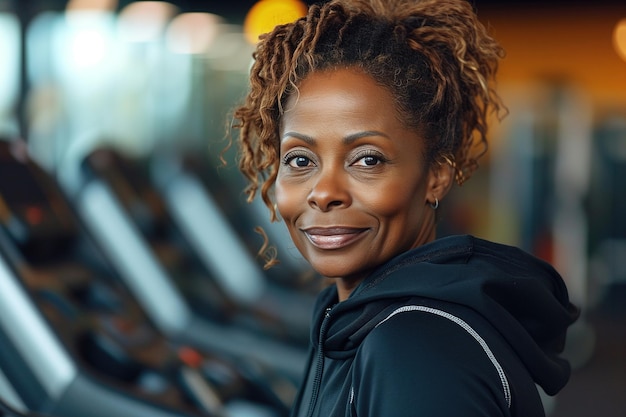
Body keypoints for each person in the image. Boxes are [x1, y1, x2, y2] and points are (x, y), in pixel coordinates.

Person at [231, 0, 580, 416]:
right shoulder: (348, 320)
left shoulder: (415, 347)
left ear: (436, 175)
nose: (323, 193)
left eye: (367, 159)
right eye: (301, 160)